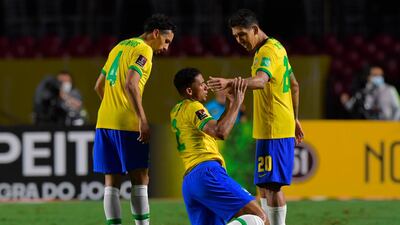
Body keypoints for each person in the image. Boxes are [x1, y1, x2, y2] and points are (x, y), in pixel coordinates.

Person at [207, 9, 304, 225]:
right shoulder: (277, 47)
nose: (239, 40)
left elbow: (261, 81)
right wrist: (295, 118)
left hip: (273, 128)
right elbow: (294, 85)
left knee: (271, 186)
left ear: (255, 29)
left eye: (242, 34)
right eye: (234, 36)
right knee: (263, 186)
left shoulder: (267, 52)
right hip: (271, 127)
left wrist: (229, 82)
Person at [93, 14, 175, 225]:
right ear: (156, 33)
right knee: (140, 178)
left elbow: (98, 86)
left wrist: (112, 106)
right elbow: (131, 83)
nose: (166, 48)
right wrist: (141, 119)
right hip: (127, 124)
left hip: (104, 122)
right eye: (166, 41)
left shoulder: (119, 47)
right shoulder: (144, 50)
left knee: (111, 183)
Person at [171, 67, 267, 225]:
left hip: (189, 182)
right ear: (189, 90)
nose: (205, 87)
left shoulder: (176, 110)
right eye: (201, 84)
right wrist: (237, 103)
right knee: (259, 218)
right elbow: (220, 132)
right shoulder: (194, 107)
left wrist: (229, 105)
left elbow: (217, 125)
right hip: (207, 173)